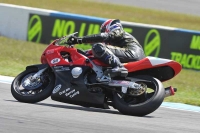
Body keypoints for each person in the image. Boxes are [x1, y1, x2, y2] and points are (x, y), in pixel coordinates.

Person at [67, 19, 146, 77]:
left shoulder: (119, 31)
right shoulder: (116, 43)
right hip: (133, 56)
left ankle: (118, 67)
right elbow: (91, 52)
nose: (103, 33)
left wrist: (80, 40)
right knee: (96, 51)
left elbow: (105, 37)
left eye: (103, 31)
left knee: (97, 46)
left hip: (132, 53)